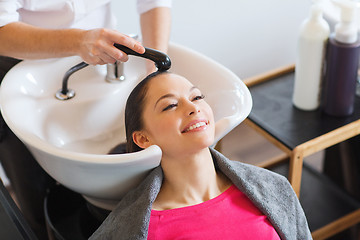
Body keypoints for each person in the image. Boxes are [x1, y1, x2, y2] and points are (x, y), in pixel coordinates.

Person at [0, 1, 171, 239]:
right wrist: (78, 41)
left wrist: (153, 73)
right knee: (35, 199)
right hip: (24, 71)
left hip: (104, 56)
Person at [89, 72, 312, 239]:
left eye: (196, 97)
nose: (193, 107)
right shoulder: (145, 229)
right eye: (170, 106)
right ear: (143, 139)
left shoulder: (273, 187)